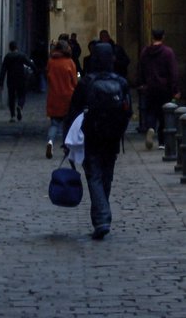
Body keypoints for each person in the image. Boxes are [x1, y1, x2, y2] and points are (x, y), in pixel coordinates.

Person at [65, 41, 131, 240]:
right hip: (112, 137)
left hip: (91, 136)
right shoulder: (121, 82)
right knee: (106, 176)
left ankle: (102, 219)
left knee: (94, 175)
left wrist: (67, 138)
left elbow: (73, 111)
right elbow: (129, 111)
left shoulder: (86, 82)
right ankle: (102, 214)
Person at [138, 28, 180, 150]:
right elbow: (173, 72)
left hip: (150, 87)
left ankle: (150, 127)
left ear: (152, 37)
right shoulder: (168, 52)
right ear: (163, 36)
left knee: (150, 110)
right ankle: (161, 142)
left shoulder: (145, 52)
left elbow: (141, 68)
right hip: (164, 88)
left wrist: (142, 83)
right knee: (163, 115)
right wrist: (175, 89)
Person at [45, 38, 78, 158]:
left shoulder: (51, 61)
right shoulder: (70, 62)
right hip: (68, 97)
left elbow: (47, 77)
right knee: (67, 124)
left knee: (54, 124)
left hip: (54, 96)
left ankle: (50, 142)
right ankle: (66, 147)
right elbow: (74, 81)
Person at [0, 41, 33, 122]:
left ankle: (13, 116)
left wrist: (1, 83)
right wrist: (36, 71)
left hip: (11, 79)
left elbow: (3, 70)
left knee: (11, 97)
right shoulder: (21, 55)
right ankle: (20, 106)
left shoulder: (7, 57)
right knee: (22, 95)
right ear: (17, 47)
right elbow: (30, 64)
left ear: (10, 48)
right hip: (21, 78)